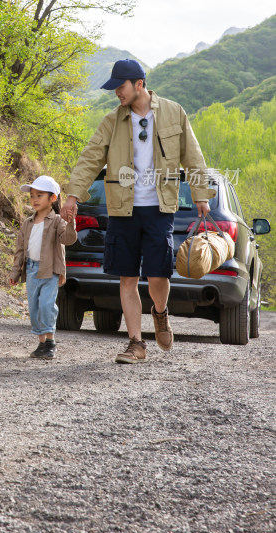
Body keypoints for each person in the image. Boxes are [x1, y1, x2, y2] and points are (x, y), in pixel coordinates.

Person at [60, 59, 215, 365]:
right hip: (122, 209)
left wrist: (201, 194)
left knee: (158, 275)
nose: (117, 92)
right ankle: (136, 343)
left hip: (159, 208)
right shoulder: (112, 121)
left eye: (121, 86)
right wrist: (73, 194)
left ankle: (159, 312)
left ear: (139, 84)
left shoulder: (174, 113)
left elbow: (193, 158)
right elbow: (90, 157)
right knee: (127, 277)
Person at [10, 175, 77, 359]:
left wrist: (71, 222)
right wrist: (15, 272)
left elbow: (68, 239)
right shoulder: (27, 223)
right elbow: (20, 250)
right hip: (31, 269)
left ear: (52, 198)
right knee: (34, 308)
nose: (34, 199)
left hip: (50, 269)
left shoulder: (57, 221)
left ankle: (50, 342)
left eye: (39, 195)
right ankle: (41, 344)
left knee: (47, 304)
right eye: (32, 196)